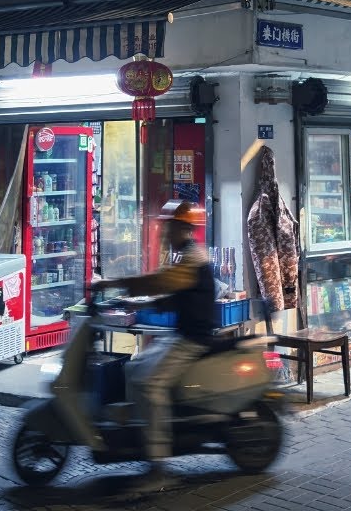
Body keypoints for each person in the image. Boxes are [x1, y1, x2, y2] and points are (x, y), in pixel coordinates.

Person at [91, 200, 214, 490]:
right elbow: (172, 295)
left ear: (182, 229)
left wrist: (113, 284)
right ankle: (139, 432)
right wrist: (132, 302)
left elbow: (161, 282)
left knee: (151, 384)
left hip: (192, 339)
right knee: (134, 368)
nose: (164, 232)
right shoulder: (185, 256)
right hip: (181, 335)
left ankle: (159, 467)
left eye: (168, 227)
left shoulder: (193, 258)